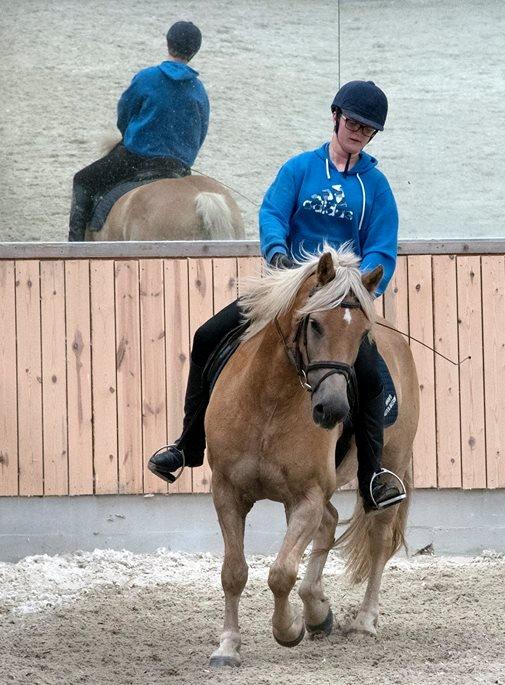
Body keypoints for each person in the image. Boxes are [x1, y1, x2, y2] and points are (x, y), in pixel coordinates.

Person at [148, 80, 405, 511]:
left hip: (340, 299)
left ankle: (372, 475)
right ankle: (188, 445)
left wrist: (360, 282)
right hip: (287, 288)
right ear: (336, 117)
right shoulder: (300, 169)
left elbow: (382, 245)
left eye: (367, 128)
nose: (358, 132)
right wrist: (277, 252)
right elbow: (272, 213)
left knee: (373, 375)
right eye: (353, 122)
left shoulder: (375, 187)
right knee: (207, 337)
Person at [67, 20, 209, 241]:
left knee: (83, 181)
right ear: (194, 51)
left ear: (168, 43)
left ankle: (74, 250)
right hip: (177, 166)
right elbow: (200, 133)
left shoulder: (147, 78)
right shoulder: (198, 89)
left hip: (136, 159)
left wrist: (132, 136)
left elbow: (124, 114)